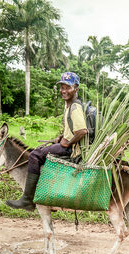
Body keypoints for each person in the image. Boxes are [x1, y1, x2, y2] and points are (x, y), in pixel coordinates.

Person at [6, 72, 88, 211]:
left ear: (76, 89)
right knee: (40, 151)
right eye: (62, 87)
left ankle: (27, 199)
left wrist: (67, 143)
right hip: (67, 144)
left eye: (67, 87)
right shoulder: (69, 105)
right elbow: (73, 129)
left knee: (34, 155)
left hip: (70, 149)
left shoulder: (74, 107)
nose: (63, 91)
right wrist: (62, 137)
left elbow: (82, 131)